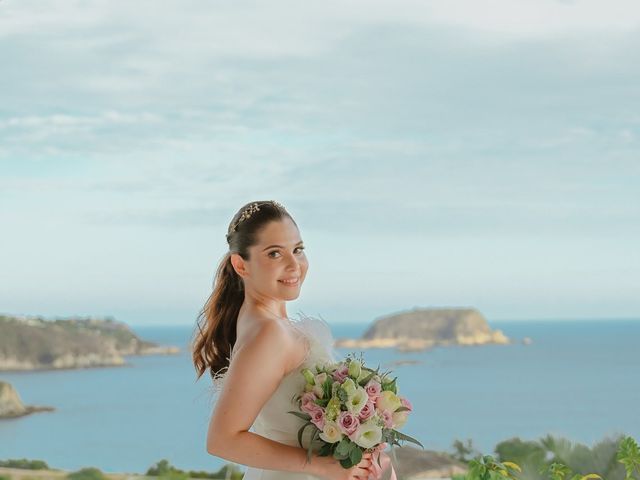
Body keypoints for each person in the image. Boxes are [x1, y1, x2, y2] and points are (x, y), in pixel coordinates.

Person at [191, 200, 397, 480]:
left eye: (298, 250)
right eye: (274, 253)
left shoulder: (266, 325)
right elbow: (222, 440)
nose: (294, 264)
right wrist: (324, 466)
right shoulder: (270, 333)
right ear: (240, 265)